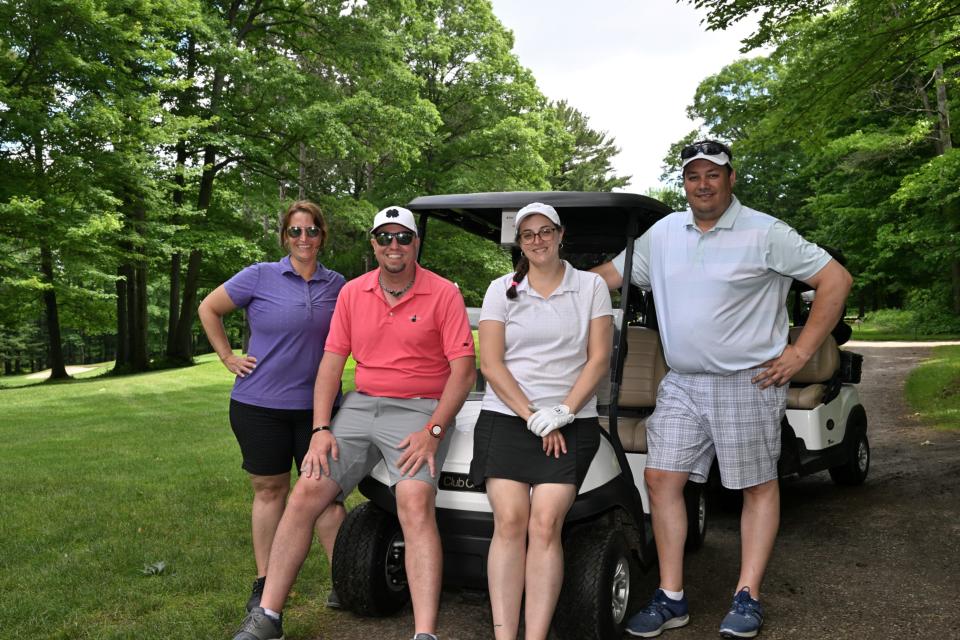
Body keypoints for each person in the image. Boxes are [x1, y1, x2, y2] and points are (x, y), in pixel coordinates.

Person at [593, 141, 852, 639]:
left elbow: (835, 280)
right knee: (662, 480)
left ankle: (747, 595)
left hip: (747, 382)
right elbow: (604, 279)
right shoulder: (664, 234)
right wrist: (540, 288)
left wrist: (800, 353)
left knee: (755, 485)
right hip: (683, 383)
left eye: (714, 174)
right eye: (694, 176)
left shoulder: (765, 232)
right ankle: (671, 597)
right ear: (684, 183)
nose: (704, 184)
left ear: (731, 179)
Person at [232, 205, 477, 640]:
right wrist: (321, 429)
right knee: (306, 491)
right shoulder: (353, 292)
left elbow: (463, 371)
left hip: (420, 409)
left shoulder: (443, 293)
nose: (394, 246)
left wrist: (434, 430)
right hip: (360, 407)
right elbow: (331, 364)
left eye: (403, 237)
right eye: (385, 237)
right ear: (374, 244)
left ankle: (425, 633)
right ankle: (268, 616)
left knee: (415, 505)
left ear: (416, 243)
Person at [469, 203, 613, 640]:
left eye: (545, 231)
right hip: (509, 415)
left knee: (545, 521)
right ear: (520, 242)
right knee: (510, 519)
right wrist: (533, 417)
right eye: (528, 234)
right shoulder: (502, 288)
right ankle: (504, 635)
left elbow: (599, 358)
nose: (537, 240)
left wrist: (562, 413)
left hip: (570, 418)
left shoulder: (590, 287)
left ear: (560, 234)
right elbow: (491, 364)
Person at [198, 200, 347, 612]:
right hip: (259, 405)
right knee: (270, 491)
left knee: (326, 496)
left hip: (318, 410)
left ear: (322, 236)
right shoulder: (260, 276)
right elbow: (208, 308)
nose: (304, 238)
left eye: (311, 231)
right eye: (295, 231)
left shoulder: (339, 285)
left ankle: (345, 581)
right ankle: (264, 583)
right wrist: (227, 356)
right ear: (285, 237)